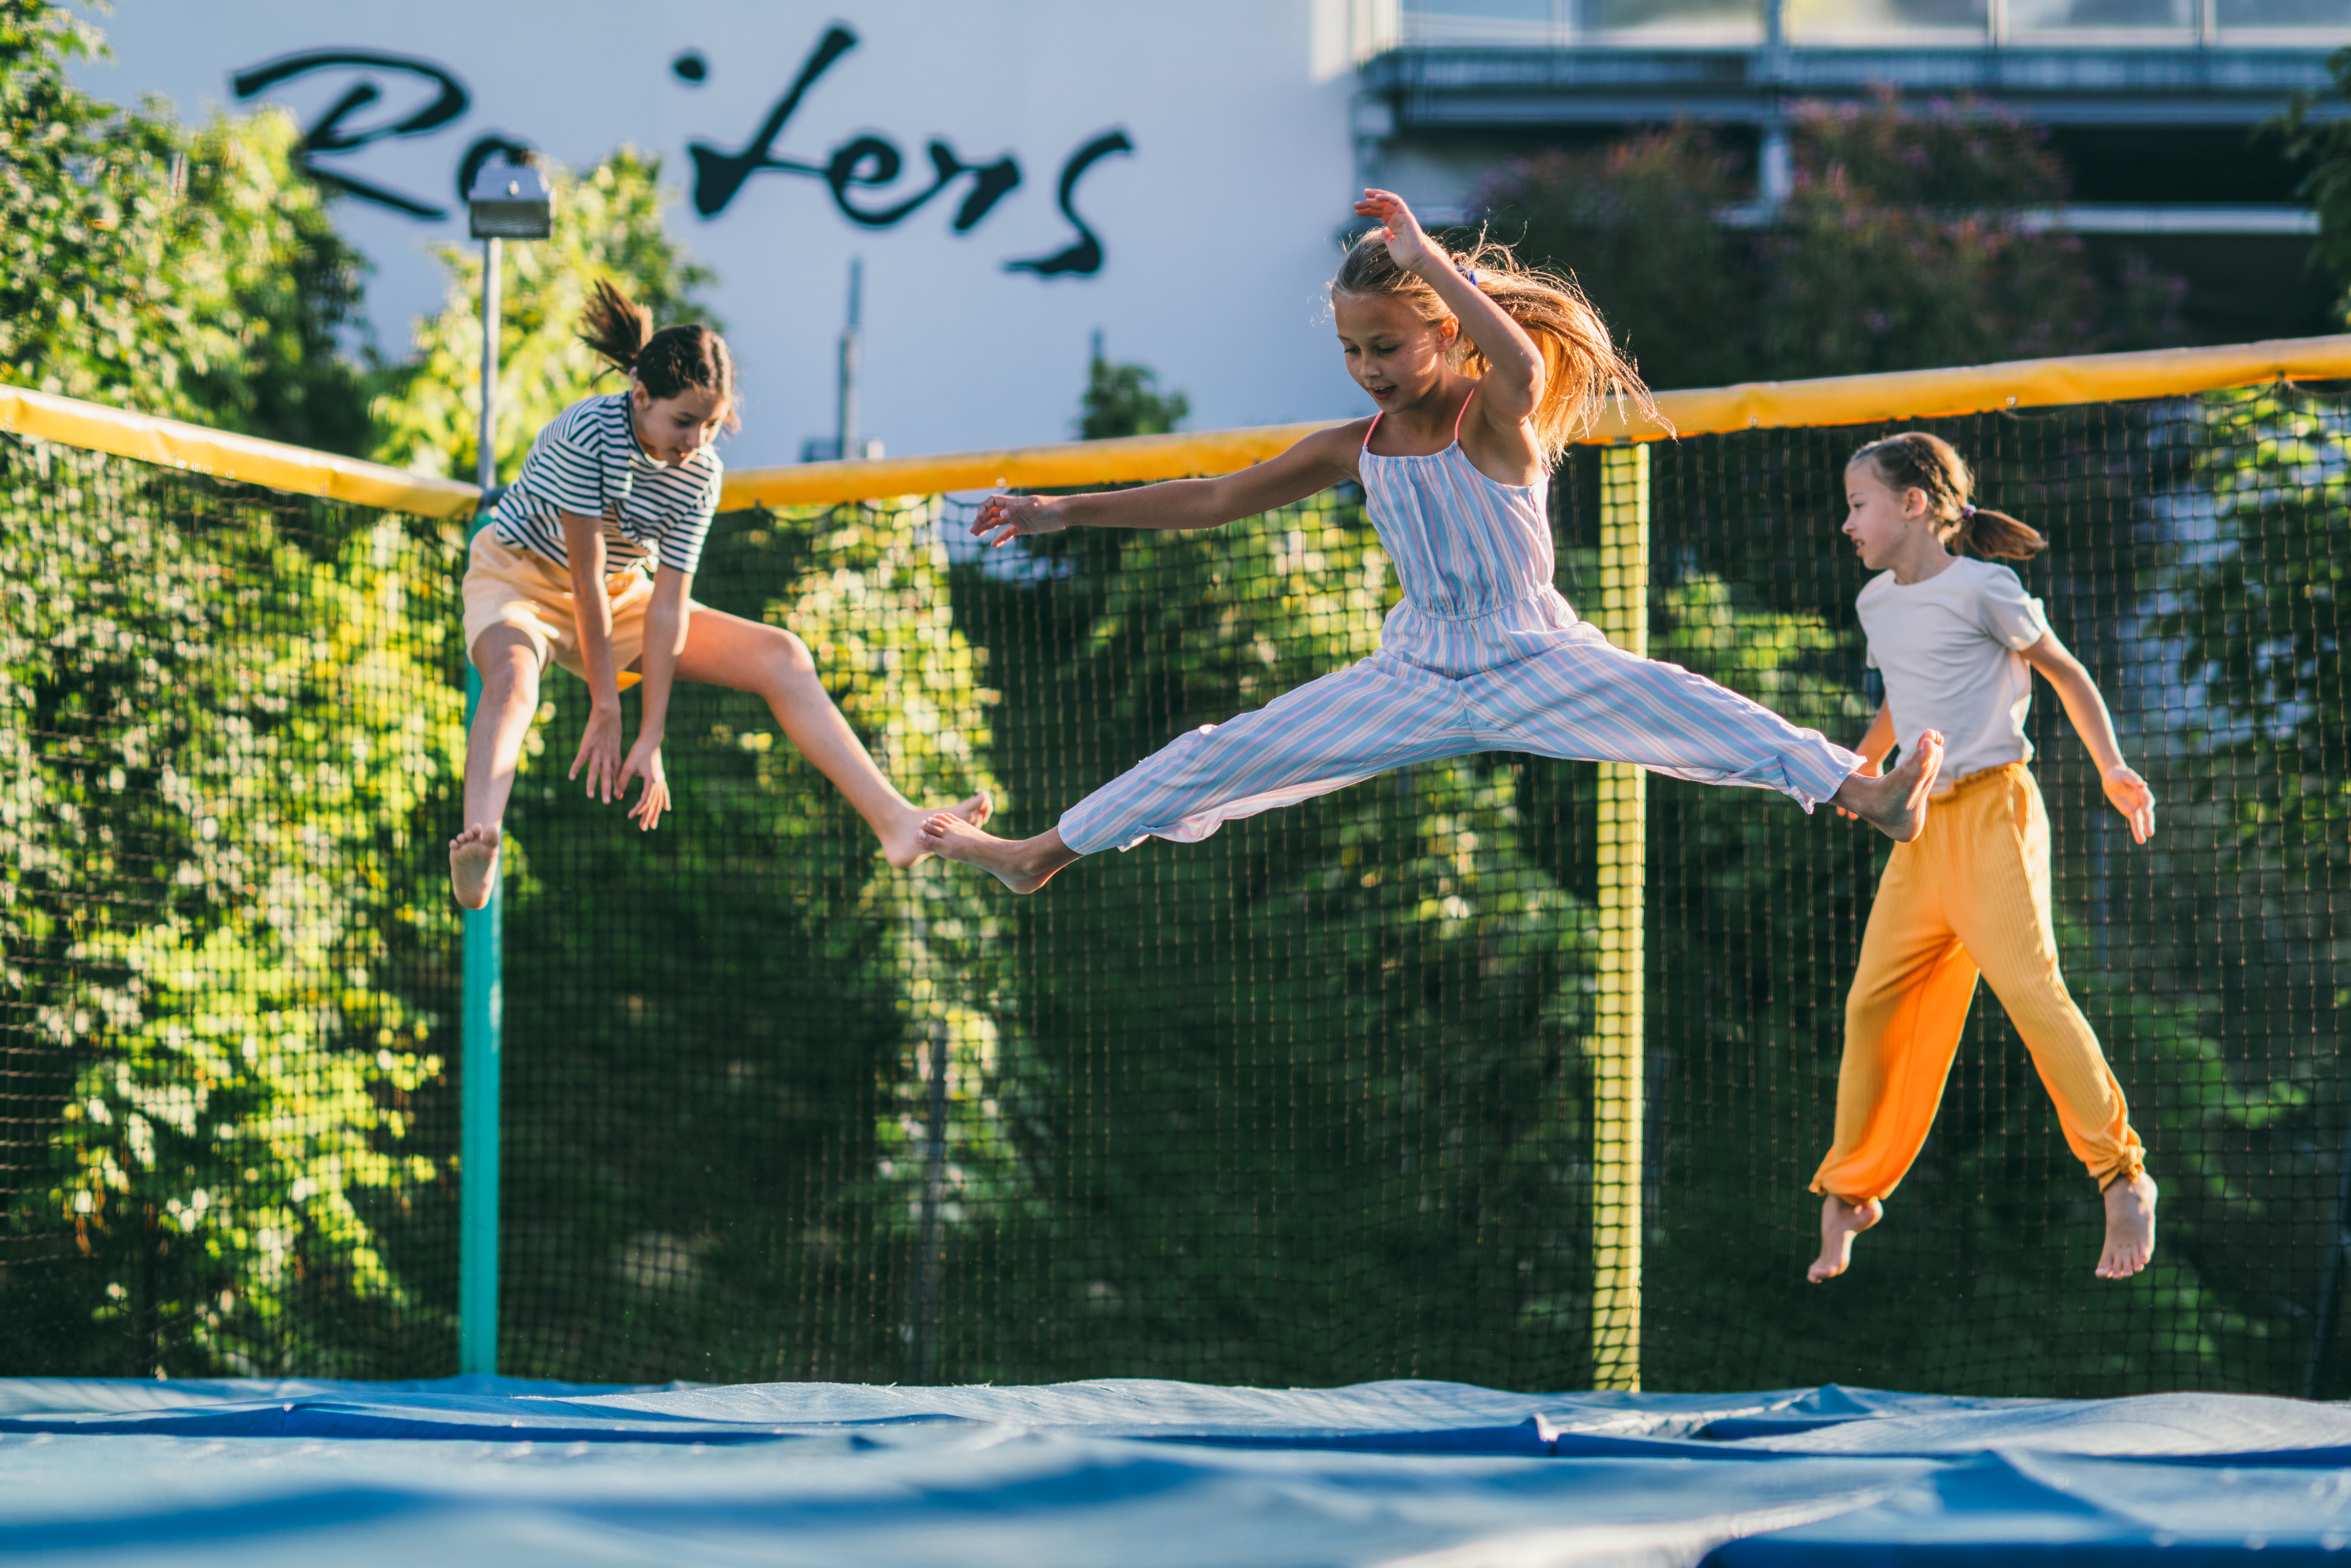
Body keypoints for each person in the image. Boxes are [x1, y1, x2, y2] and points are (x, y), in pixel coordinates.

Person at [916, 189, 1943, 894]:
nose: (1367, 367)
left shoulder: (1493, 414)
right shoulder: (1353, 447)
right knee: (1218, 755)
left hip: (1532, 655)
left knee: (1690, 706)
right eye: (1351, 349)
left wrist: (1429, 261)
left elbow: (1519, 361)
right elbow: (1212, 497)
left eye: (1387, 345)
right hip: (1413, 671)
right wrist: (1062, 511)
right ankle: (1036, 853)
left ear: (1446, 330)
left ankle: (1863, 791)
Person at [447, 281, 989, 908]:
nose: (696, 441)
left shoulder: (701, 473)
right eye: (683, 422)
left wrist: (649, 735)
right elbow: (583, 577)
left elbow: (669, 605)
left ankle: (895, 822)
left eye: (710, 424)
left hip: (624, 592)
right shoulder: (588, 431)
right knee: (515, 679)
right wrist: (606, 705)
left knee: (781, 655)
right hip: (519, 575)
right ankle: (480, 841)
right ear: (641, 396)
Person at [1807, 431, 2159, 1285]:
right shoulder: (1876, 605)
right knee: (1872, 1005)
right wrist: (1857, 767)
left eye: (1860, 505)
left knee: (2032, 990)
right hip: (1921, 831)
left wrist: (2112, 765)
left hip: (1996, 813)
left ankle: (2122, 1173)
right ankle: (1853, 1189)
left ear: (1915, 505)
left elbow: (2068, 675)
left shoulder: (1987, 588)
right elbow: (1902, 692)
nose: (1848, 524)